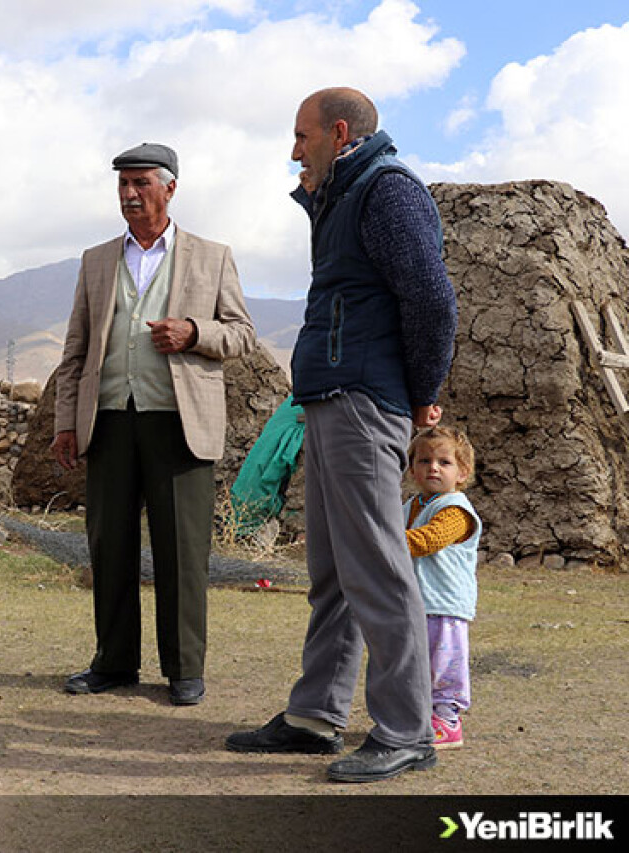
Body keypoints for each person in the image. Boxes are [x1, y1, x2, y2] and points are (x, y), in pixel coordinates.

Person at [225, 88, 459, 783]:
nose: (294, 150)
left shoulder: (387, 191)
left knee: (377, 568)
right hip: (329, 398)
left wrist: (421, 394)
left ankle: (406, 729)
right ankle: (315, 716)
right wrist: (312, 197)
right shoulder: (343, 196)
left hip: (365, 399)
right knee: (332, 570)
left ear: (336, 131)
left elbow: (432, 297)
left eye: (301, 136)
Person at [52, 143, 255, 706]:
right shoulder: (96, 260)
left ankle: (184, 667)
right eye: (122, 185)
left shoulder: (212, 256)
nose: (129, 194)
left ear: (170, 187)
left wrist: (194, 333)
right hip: (110, 419)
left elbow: (241, 335)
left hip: (179, 423)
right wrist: (66, 423)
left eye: (140, 183)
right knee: (109, 546)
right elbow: (75, 351)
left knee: (182, 551)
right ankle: (113, 663)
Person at [404, 426, 481, 751]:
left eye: (444, 462)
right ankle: (416, 719)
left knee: (443, 666)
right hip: (414, 603)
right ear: (411, 469)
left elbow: (427, 541)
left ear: (462, 472)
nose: (432, 467)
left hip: (444, 605)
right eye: (424, 460)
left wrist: (374, 540)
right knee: (414, 664)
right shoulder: (409, 506)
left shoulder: (455, 510)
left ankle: (448, 721)